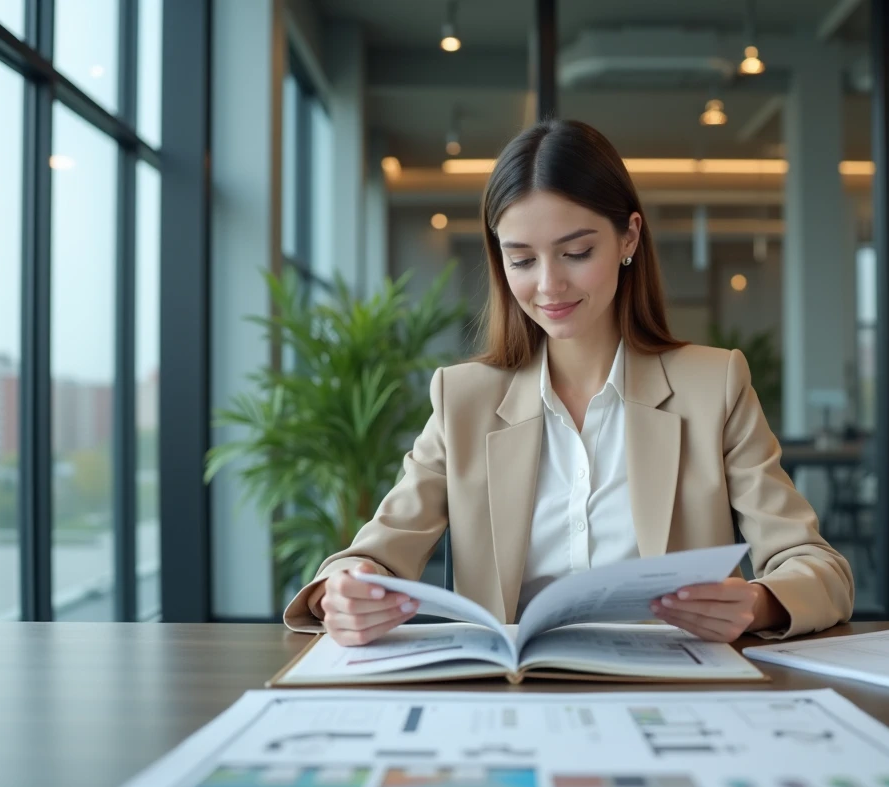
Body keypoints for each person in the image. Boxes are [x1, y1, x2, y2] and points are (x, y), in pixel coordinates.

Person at [284, 119, 854, 645]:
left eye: (576, 252)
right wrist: (347, 588)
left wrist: (757, 603)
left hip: (677, 690)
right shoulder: (464, 401)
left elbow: (818, 568)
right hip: (519, 700)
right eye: (522, 260)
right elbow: (371, 555)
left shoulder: (714, 387)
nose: (549, 285)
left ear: (629, 237)